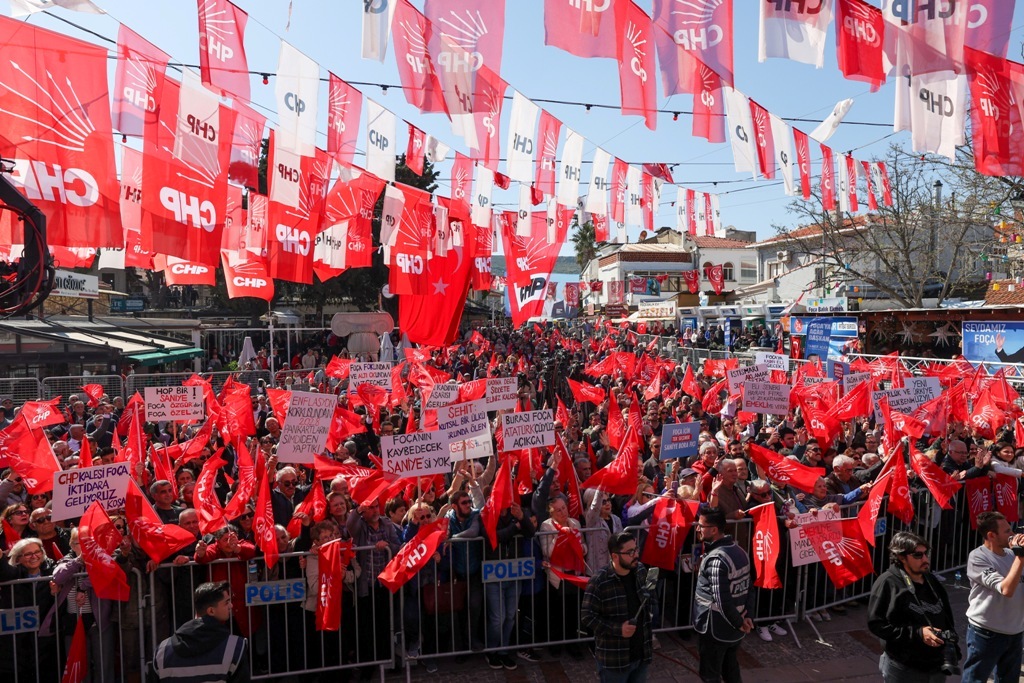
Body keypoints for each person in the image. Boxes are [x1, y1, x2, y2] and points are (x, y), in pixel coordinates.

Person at [867, 531, 957, 682]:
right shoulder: (887, 583)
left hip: (936, 665)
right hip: (904, 668)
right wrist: (918, 633)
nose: (925, 559)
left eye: (925, 553)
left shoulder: (930, 579)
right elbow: (877, 625)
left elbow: (946, 614)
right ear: (901, 557)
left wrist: (952, 644)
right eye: (917, 555)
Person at [581, 531, 654, 683]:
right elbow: (587, 616)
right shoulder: (599, 581)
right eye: (630, 552)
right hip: (615, 660)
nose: (636, 555)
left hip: (641, 655)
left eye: (636, 549)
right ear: (615, 556)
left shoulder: (640, 570)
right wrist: (618, 629)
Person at [692, 508, 754, 683]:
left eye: (701, 526)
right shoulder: (740, 551)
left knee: (710, 675)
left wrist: (740, 622)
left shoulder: (717, 559)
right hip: (735, 626)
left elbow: (721, 600)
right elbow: (749, 588)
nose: (697, 529)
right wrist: (748, 616)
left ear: (713, 529)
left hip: (715, 627)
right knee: (731, 670)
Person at [962, 511, 1024, 683]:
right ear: (991, 535)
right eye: (1006, 531)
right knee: (974, 680)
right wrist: (1021, 556)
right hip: (986, 633)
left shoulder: (1013, 555)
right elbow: (1006, 589)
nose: (1012, 534)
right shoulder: (978, 557)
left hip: (1015, 632)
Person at [151, 581, 250, 683]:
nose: (231, 606)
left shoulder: (162, 652)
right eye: (226, 602)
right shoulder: (235, 648)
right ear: (211, 611)